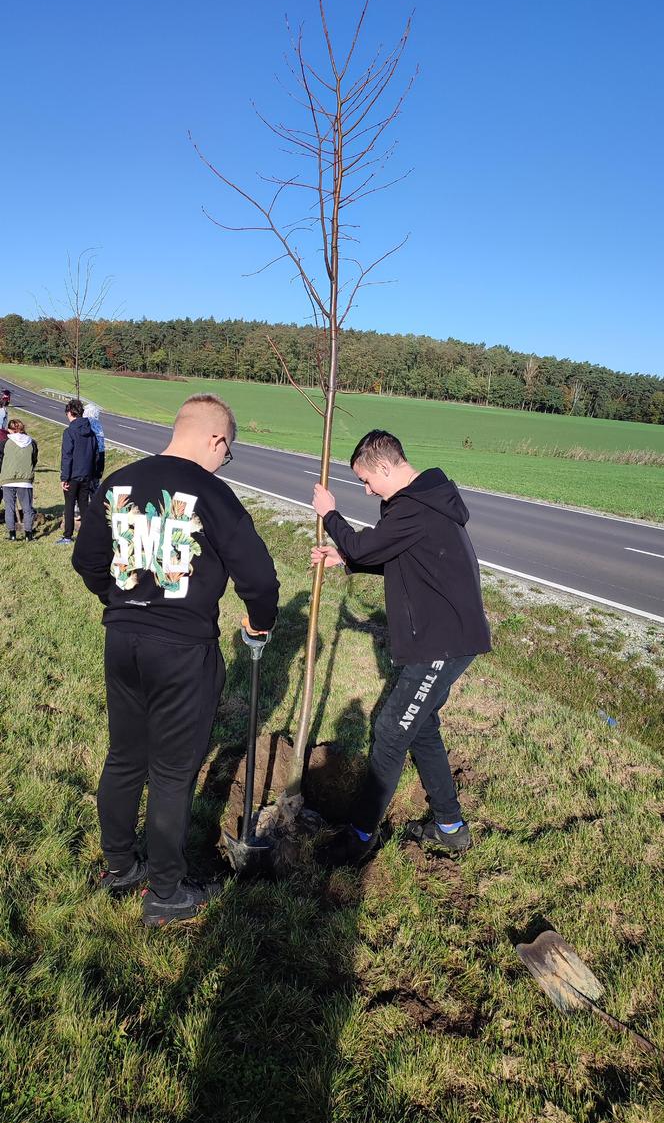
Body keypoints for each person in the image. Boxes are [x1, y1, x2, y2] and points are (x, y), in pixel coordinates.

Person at [72, 393, 279, 926]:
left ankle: (120, 865)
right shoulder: (212, 492)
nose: (222, 461)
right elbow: (259, 577)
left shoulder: (118, 481)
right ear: (216, 439)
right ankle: (165, 892)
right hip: (183, 650)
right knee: (170, 772)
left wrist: (120, 600)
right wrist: (260, 621)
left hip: (122, 641)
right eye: (226, 452)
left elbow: (86, 558)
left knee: (124, 757)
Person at [311, 429, 491, 865]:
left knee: (391, 729)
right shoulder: (422, 504)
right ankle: (450, 827)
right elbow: (407, 560)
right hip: (444, 637)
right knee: (421, 726)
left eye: (367, 480)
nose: (367, 489)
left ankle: (358, 838)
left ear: (387, 466)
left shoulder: (413, 507)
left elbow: (364, 541)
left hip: (442, 643)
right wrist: (348, 560)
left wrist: (331, 516)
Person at [58, 398, 98, 545]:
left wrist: (64, 477)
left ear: (70, 412)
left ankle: (68, 536)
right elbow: (96, 454)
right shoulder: (91, 432)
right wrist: (93, 473)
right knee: (84, 505)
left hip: (73, 474)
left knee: (69, 505)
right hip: (87, 474)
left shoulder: (69, 432)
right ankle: (87, 534)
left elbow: (67, 455)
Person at [0, 418, 39, 541]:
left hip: (8, 478)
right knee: (27, 508)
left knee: (9, 507)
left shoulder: (4, 443)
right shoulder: (32, 443)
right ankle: (28, 534)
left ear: (11, 429)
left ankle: (12, 534)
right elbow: (34, 460)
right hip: (25, 480)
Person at [83, 402, 106, 494]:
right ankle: (94, 503)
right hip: (99, 457)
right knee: (95, 484)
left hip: (88, 457)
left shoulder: (85, 424)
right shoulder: (99, 425)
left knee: (84, 486)